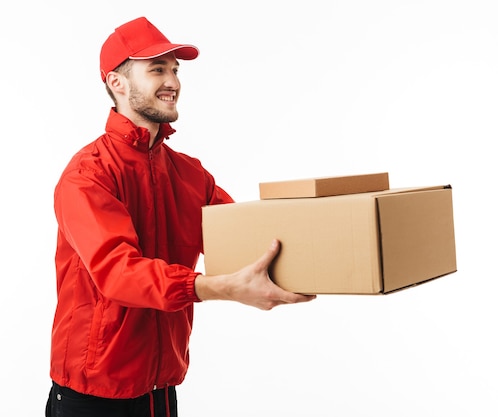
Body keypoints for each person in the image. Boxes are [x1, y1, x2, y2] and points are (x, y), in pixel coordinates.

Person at [46, 16, 316, 417]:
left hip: (162, 390)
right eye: (157, 69)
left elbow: (244, 238)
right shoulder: (88, 174)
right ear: (117, 82)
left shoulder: (191, 174)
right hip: (93, 397)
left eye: (175, 69)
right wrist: (218, 288)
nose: (172, 80)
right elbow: (119, 273)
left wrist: (323, 248)